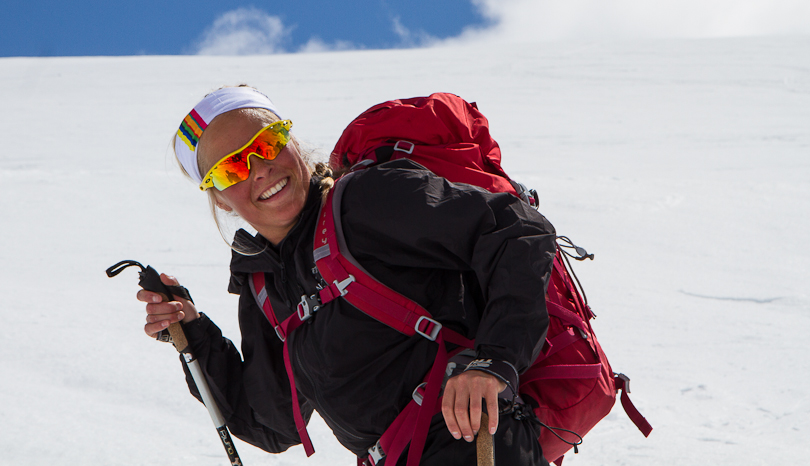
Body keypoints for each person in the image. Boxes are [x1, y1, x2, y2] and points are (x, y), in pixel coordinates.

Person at [138, 86, 557, 465]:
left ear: (291, 142)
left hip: (475, 445)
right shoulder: (265, 286)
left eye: (267, 144)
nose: (259, 169)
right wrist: (194, 334)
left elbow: (517, 230)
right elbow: (274, 423)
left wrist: (493, 360)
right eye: (231, 169)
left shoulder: (365, 200)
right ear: (219, 198)